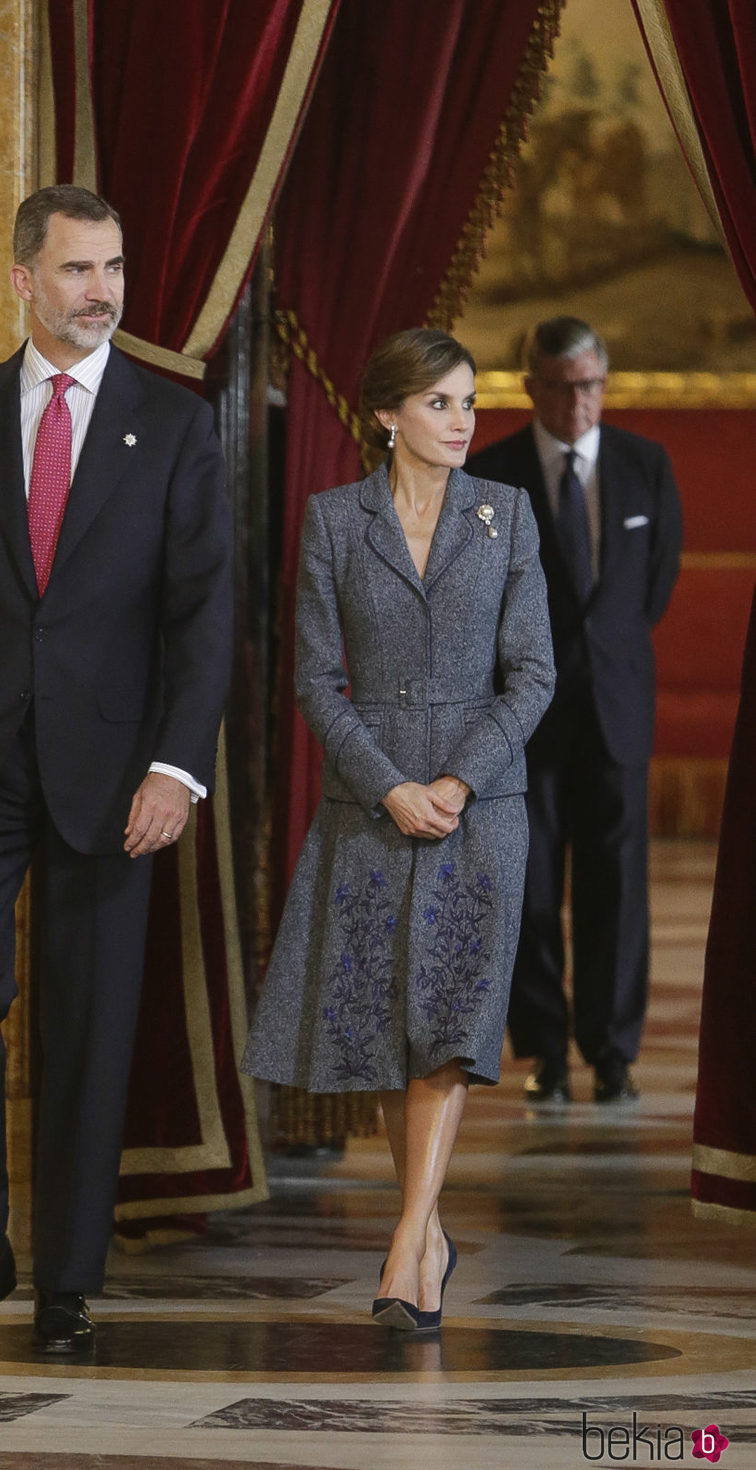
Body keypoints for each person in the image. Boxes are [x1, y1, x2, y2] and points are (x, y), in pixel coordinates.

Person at [0, 184, 233, 1355]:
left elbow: (203, 618)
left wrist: (176, 768)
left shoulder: (175, 424)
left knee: (88, 1022)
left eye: (114, 268)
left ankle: (70, 1278)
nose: (103, 293)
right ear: (22, 280)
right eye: (78, 271)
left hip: (116, 773)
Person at [243, 329, 554, 1329]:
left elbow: (534, 676)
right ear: (385, 415)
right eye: (438, 403)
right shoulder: (333, 521)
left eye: (468, 402)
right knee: (390, 1030)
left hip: (479, 813)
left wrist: (459, 779)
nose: (462, 421)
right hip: (368, 816)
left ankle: (402, 1244)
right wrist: (387, 787)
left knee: (448, 1034)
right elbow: (312, 682)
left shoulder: (506, 517)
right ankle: (426, 1237)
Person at [467, 316, 682, 1104]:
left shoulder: (644, 466)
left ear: (605, 383)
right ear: (531, 388)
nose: (577, 402)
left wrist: (604, 661)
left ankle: (613, 1050)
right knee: (525, 888)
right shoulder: (491, 477)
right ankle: (547, 1054)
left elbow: (652, 587)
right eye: (559, 387)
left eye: (589, 385)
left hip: (617, 708)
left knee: (617, 888)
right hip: (521, 720)